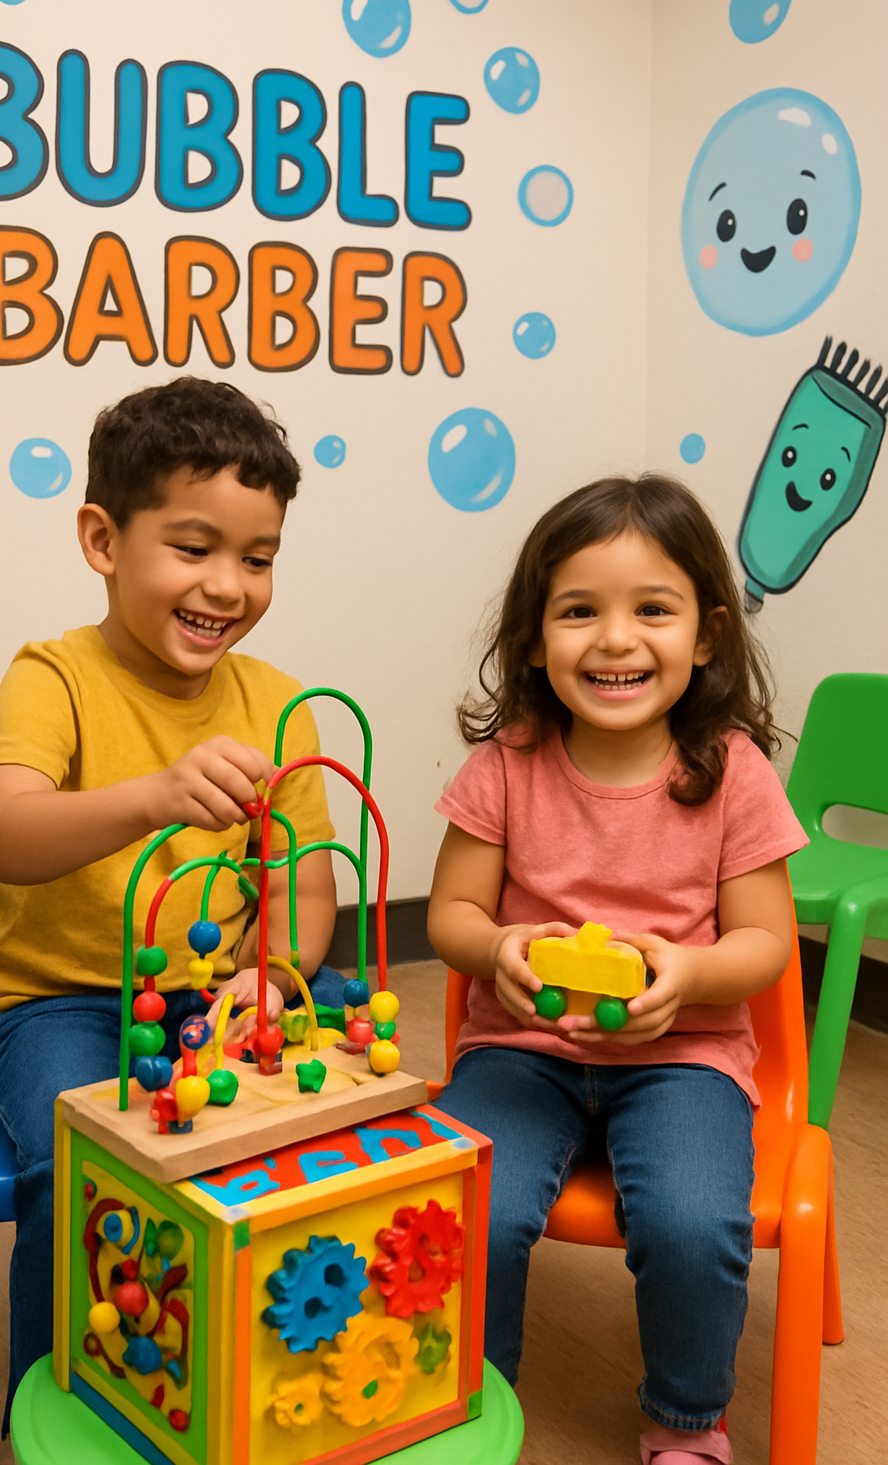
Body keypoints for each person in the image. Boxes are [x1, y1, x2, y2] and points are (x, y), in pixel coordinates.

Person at [0, 376, 343, 1421]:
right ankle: (59, 1413)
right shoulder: (54, 675)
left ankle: (266, 1377)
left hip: (219, 997)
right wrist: (150, 798)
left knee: (345, 1094)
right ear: (102, 539)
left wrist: (272, 977)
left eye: (258, 558)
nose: (227, 585)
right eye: (193, 547)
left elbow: (304, 887)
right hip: (60, 1005)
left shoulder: (276, 701)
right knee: (84, 1156)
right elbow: (2, 835)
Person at [427, 474, 808, 1465]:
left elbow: (764, 946)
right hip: (520, 1051)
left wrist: (683, 973)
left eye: (652, 610)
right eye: (577, 611)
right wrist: (497, 948)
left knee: (691, 1224)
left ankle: (685, 1424)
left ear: (707, 634)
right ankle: (465, 1404)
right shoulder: (507, 762)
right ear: (532, 637)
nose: (613, 640)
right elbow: (452, 917)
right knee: (470, 1204)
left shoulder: (732, 771)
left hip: (684, 1058)